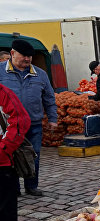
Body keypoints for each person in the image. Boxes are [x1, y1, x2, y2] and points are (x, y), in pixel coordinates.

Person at [0, 39, 57, 196]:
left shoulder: (40, 74)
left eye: (30, 56)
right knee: (9, 157)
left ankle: (31, 186)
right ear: (12, 53)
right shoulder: (0, 72)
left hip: (33, 124)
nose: (27, 59)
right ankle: (13, 188)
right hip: (8, 126)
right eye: (24, 55)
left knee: (33, 156)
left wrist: (53, 118)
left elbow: (49, 98)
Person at [0, 84, 30, 221]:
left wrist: (3, 149)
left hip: (2, 164)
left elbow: (20, 121)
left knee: (5, 213)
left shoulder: (4, 93)